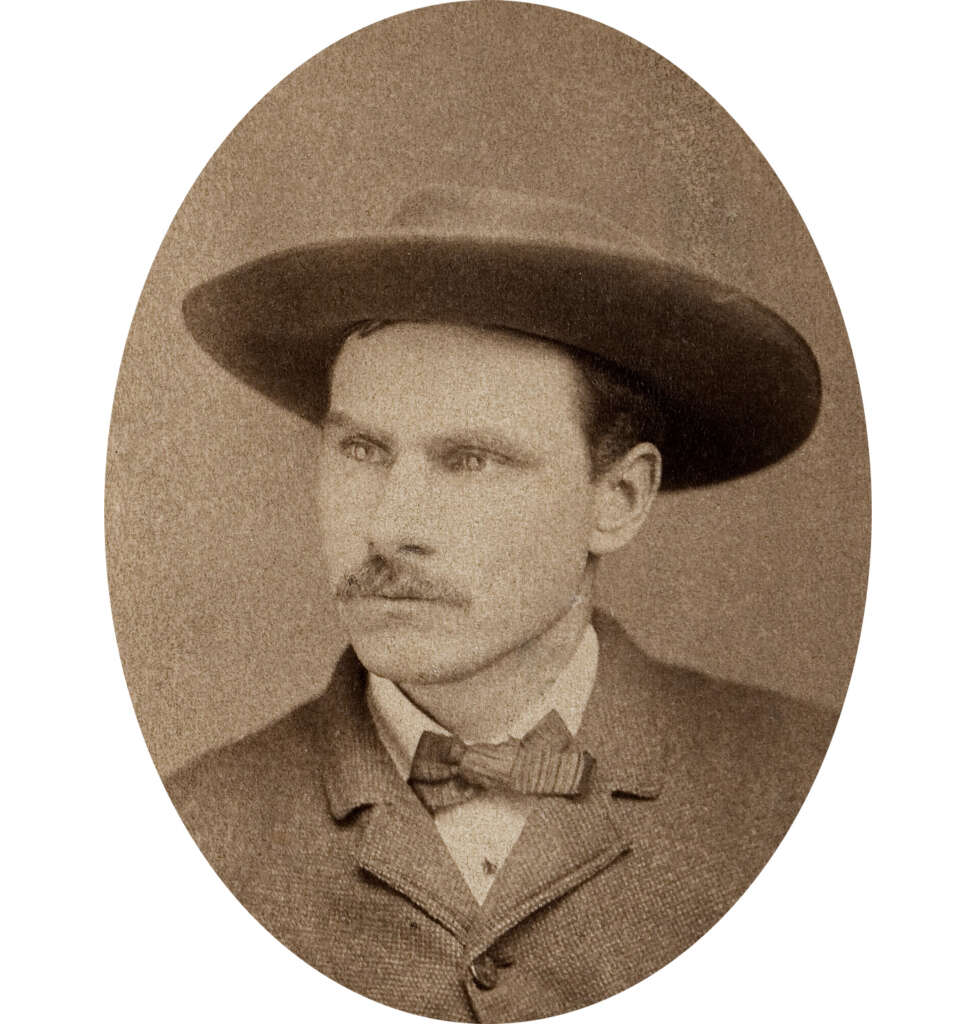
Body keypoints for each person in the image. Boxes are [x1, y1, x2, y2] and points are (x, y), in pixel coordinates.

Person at [169, 185, 836, 1022]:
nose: (389, 527)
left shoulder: (803, 792)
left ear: (619, 498)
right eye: (363, 449)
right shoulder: (195, 830)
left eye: (471, 461)